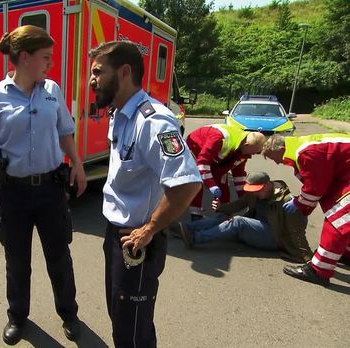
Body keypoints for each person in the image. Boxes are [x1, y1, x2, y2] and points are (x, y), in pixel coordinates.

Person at [0, 25, 86, 345]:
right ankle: (17, 316)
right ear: (24, 57)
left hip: (51, 190)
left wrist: (77, 163)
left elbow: (65, 131)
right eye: (45, 57)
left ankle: (70, 314)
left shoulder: (53, 90)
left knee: (59, 257)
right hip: (13, 193)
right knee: (17, 261)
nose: (50, 64)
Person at [89, 41, 201, 347]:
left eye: (98, 72)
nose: (91, 80)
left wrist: (150, 229)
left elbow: (187, 183)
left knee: (132, 331)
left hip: (136, 241)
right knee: (123, 320)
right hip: (116, 234)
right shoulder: (120, 113)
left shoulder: (153, 121)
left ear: (125, 72)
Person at [262, 134, 350, 286]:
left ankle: (318, 271)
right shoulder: (302, 146)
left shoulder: (308, 153)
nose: (276, 163)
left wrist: (300, 204)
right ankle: (345, 253)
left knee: (338, 222)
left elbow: (315, 187)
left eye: (273, 157)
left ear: (281, 149)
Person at [173, 172, 312, 262]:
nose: (255, 194)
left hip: (275, 238)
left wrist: (304, 255)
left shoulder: (286, 201)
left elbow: (299, 227)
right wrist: (222, 207)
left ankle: (195, 238)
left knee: (238, 222)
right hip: (258, 228)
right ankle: (185, 228)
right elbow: (238, 205)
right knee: (224, 218)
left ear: (268, 185)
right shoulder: (254, 193)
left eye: (258, 191)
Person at [186, 124, 266, 219]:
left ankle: (223, 213)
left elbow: (239, 176)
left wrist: (247, 199)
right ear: (246, 145)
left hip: (217, 157)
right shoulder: (218, 139)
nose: (253, 155)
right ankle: (196, 215)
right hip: (196, 148)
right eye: (255, 152)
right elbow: (202, 163)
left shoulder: (243, 149)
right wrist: (211, 185)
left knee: (222, 180)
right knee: (197, 182)